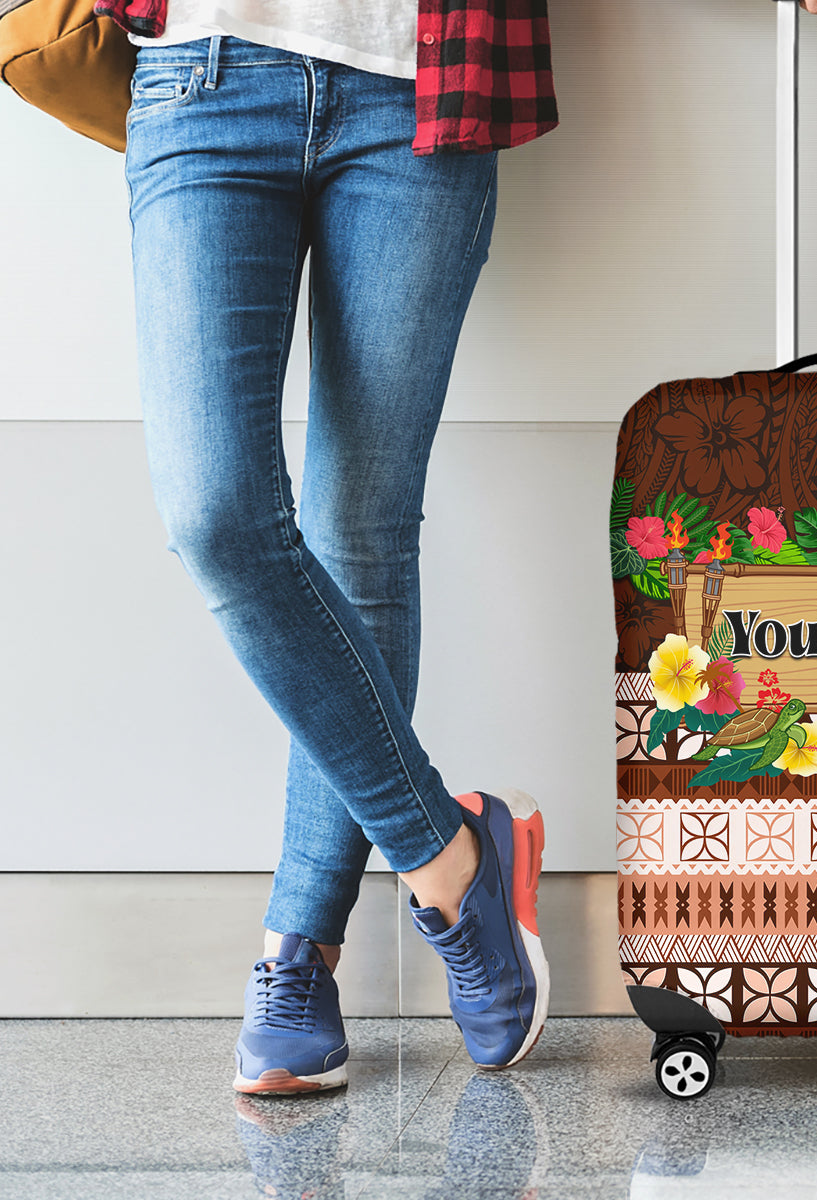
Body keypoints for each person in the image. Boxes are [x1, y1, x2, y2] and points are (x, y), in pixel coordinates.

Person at [95, 0, 557, 1093]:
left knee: (362, 531)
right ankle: (452, 856)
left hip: (421, 90)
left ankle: (299, 952)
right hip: (204, 78)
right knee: (215, 515)